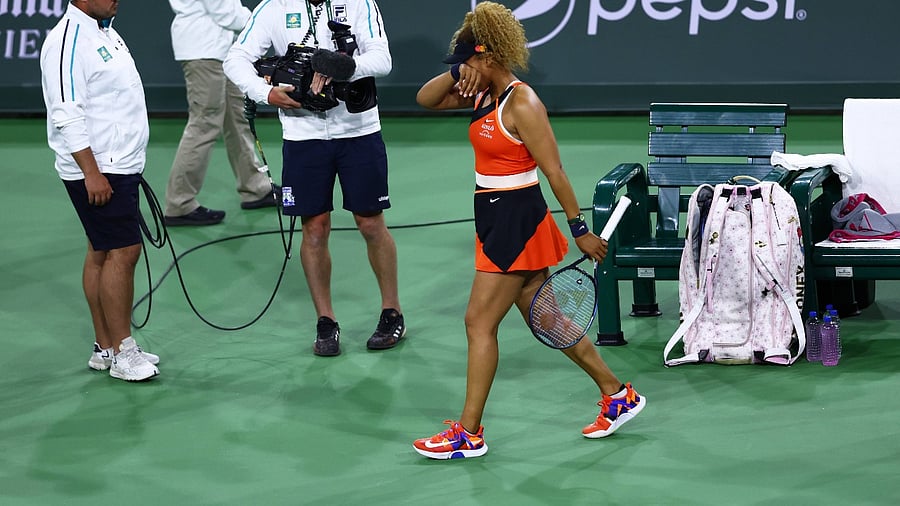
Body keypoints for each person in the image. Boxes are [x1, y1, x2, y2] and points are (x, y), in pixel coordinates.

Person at [411, 2, 645, 459]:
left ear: (491, 58)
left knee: (478, 322)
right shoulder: (479, 93)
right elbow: (425, 99)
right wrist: (459, 70)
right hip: (493, 215)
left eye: (469, 60)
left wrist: (580, 228)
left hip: (518, 221)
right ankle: (618, 395)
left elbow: (554, 170)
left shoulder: (523, 102)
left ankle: (468, 433)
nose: (463, 69)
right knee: (549, 318)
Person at [223, 0, 405, 356]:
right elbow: (235, 58)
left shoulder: (359, 4)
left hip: (358, 131)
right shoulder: (274, 7)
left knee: (370, 223)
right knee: (315, 228)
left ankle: (391, 311)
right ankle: (326, 321)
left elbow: (382, 60)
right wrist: (265, 93)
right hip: (302, 136)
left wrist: (342, 67)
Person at [39, 0, 159, 381]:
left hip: (117, 163)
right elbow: (65, 113)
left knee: (101, 249)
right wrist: (91, 172)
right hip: (98, 167)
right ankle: (124, 352)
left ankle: (105, 347)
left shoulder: (104, 29)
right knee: (124, 251)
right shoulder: (66, 41)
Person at [163, 0, 280, 227]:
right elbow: (224, 10)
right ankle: (179, 203)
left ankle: (255, 187)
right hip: (204, 50)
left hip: (223, 50)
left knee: (238, 118)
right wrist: (265, 26)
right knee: (204, 123)